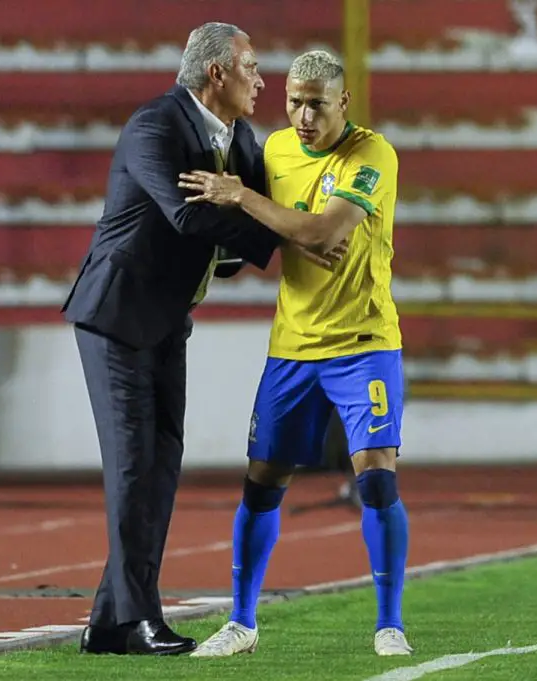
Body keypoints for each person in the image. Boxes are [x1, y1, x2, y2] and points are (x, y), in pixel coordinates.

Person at [61, 23, 341, 657]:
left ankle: (110, 620)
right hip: (116, 316)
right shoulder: (155, 126)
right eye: (251, 68)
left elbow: (250, 217)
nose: (262, 82)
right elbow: (188, 215)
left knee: (159, 470)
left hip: (167, 319)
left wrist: (278, 222)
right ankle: (138, 619)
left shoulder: (239, 138)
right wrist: (282, 232)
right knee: (135, 468)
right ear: (217, 74)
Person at [177, 49, 412, 657]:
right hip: (293, 347)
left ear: (344, 104)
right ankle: (242, 622)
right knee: (262, 482)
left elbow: (321, 231)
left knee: (376, 478)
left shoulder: (371, 154)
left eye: (317, 104)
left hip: (364, 343)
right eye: (295, 103)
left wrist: (244, 199)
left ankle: (390, 624)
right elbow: (269, 231)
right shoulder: (274, 149)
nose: (304, 116)